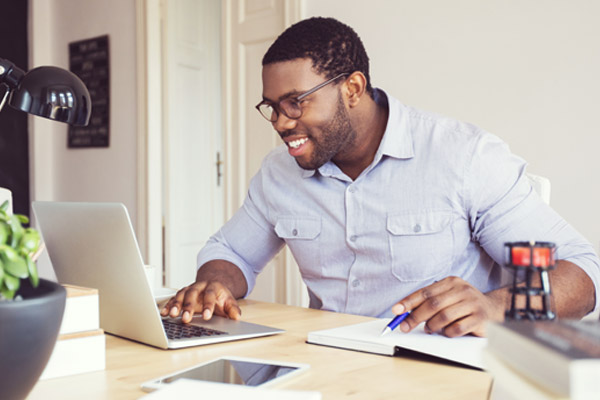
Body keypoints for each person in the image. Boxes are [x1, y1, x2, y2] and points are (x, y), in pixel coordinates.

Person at [162, 17, 599, 337]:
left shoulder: (462, 158)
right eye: (272, 106)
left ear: (352, 88)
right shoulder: (280, 175)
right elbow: (231, 251)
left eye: (295, 102)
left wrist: (497, 305)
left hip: (435, 372)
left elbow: (579, 271)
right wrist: (216, 282)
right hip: (325, 364)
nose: (279, 122)